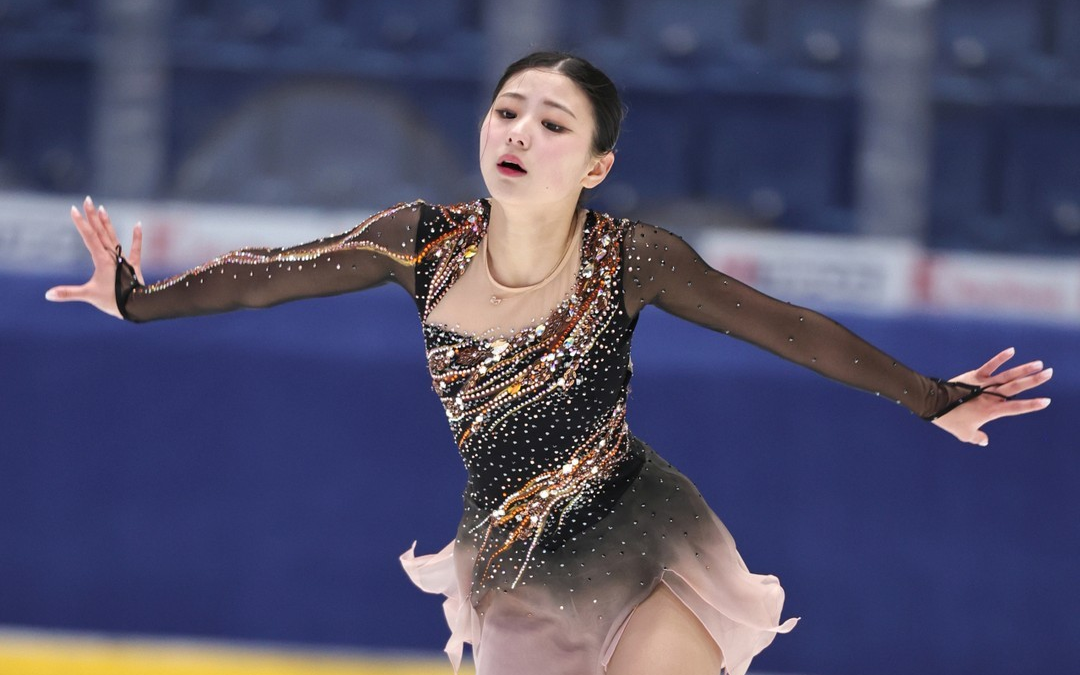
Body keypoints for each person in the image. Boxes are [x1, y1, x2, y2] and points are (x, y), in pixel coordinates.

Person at [46, 52, 1052, 675]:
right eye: (507, 111)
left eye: (552, 122)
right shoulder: (420, 242)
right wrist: (137, 298)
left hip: (646, 531)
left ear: (597, 164)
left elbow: (783, 326)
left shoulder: (632, 258)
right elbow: (271, 275)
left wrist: (931, 396)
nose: (520, 132)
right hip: (520, 566)